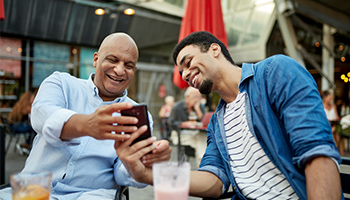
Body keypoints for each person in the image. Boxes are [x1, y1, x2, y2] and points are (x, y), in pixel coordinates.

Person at [115, 31, 343, 200]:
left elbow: (315, 151)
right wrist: (145, 174)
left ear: (215, 49)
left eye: (187, 62)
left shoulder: (274, 72)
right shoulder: (216, 122)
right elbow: (214, 181)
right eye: (181, 71)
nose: (184, 74)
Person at [0, 33, 171, 200]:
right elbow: (41, 116)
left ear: (134, 70)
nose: (119, 70)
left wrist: (143, 163)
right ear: (96, 59)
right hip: (34, 189)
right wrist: (87, 125)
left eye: (128, 65)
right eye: (112, 60)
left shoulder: (137, 114)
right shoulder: (61, 83)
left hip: (92, 194)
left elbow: (122, 174)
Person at [7, 90, 36, 155]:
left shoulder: (19, 105)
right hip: (16, 127)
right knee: (33, 128)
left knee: (32, 128)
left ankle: (26, 144)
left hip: (13, 126)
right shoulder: (27, 108)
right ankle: (28, 144)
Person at [322, 89, 343, 155]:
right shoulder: (321, 106)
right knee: (334, 130)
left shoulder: (333, 106)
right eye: (330, 98)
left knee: (337, 130)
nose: (331, 100)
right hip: (325, 125)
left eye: (332, 98)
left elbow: (336, 117)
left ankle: (341, 153)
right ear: (325, 98)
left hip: (333, 125)